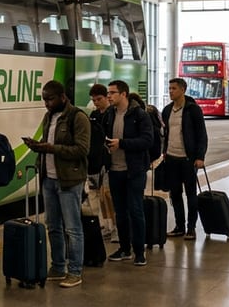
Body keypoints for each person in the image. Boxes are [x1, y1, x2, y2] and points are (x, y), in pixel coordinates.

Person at [23, 80, 89, 287]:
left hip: (69, 180)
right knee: (53, 226)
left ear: (62, 97)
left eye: (50, 99)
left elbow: (82, 149)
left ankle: (75, 271)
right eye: (44, 100)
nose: (47, 104)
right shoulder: (48, 117)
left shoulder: (78, 117)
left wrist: (52, 148)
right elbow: (48, 144)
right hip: (48, 179)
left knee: (73, 228)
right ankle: (58, 267)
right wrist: (38, 149)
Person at [102, 80, 154, 266]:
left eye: (112, 92)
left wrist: (121, 143)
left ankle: (139, 251)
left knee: (135, 210)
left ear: (123, 94)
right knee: (120, 212)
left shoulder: (139, 115)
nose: (109, 96)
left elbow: (147, 140)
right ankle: (125, 248)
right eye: (108, 93)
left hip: (134, 171)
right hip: (115, 171)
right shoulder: (109, 114)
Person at [161, 78, 208, 240]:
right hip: (172, 157)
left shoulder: (192, 109)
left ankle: (191, 227)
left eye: (174, 88)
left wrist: (200, 157)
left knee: (190, 194)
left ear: (183, 90)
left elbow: (202, 134)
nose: (170, 91)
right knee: (175, 194)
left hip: (188, 159)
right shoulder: (167, 110)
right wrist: (164, 151)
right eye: (169, 88)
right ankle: (179, 226)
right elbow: (166, 133)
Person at [88, 84, 117, 243]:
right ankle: (106, 224)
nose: (96, 103)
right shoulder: (93, 115)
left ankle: (115, 227)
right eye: (94, 100)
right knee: (98, 196)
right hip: (94, 162)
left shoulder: (112, 114)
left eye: (99, 99)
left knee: (108, 195)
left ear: (106, 97)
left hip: (108, 161)